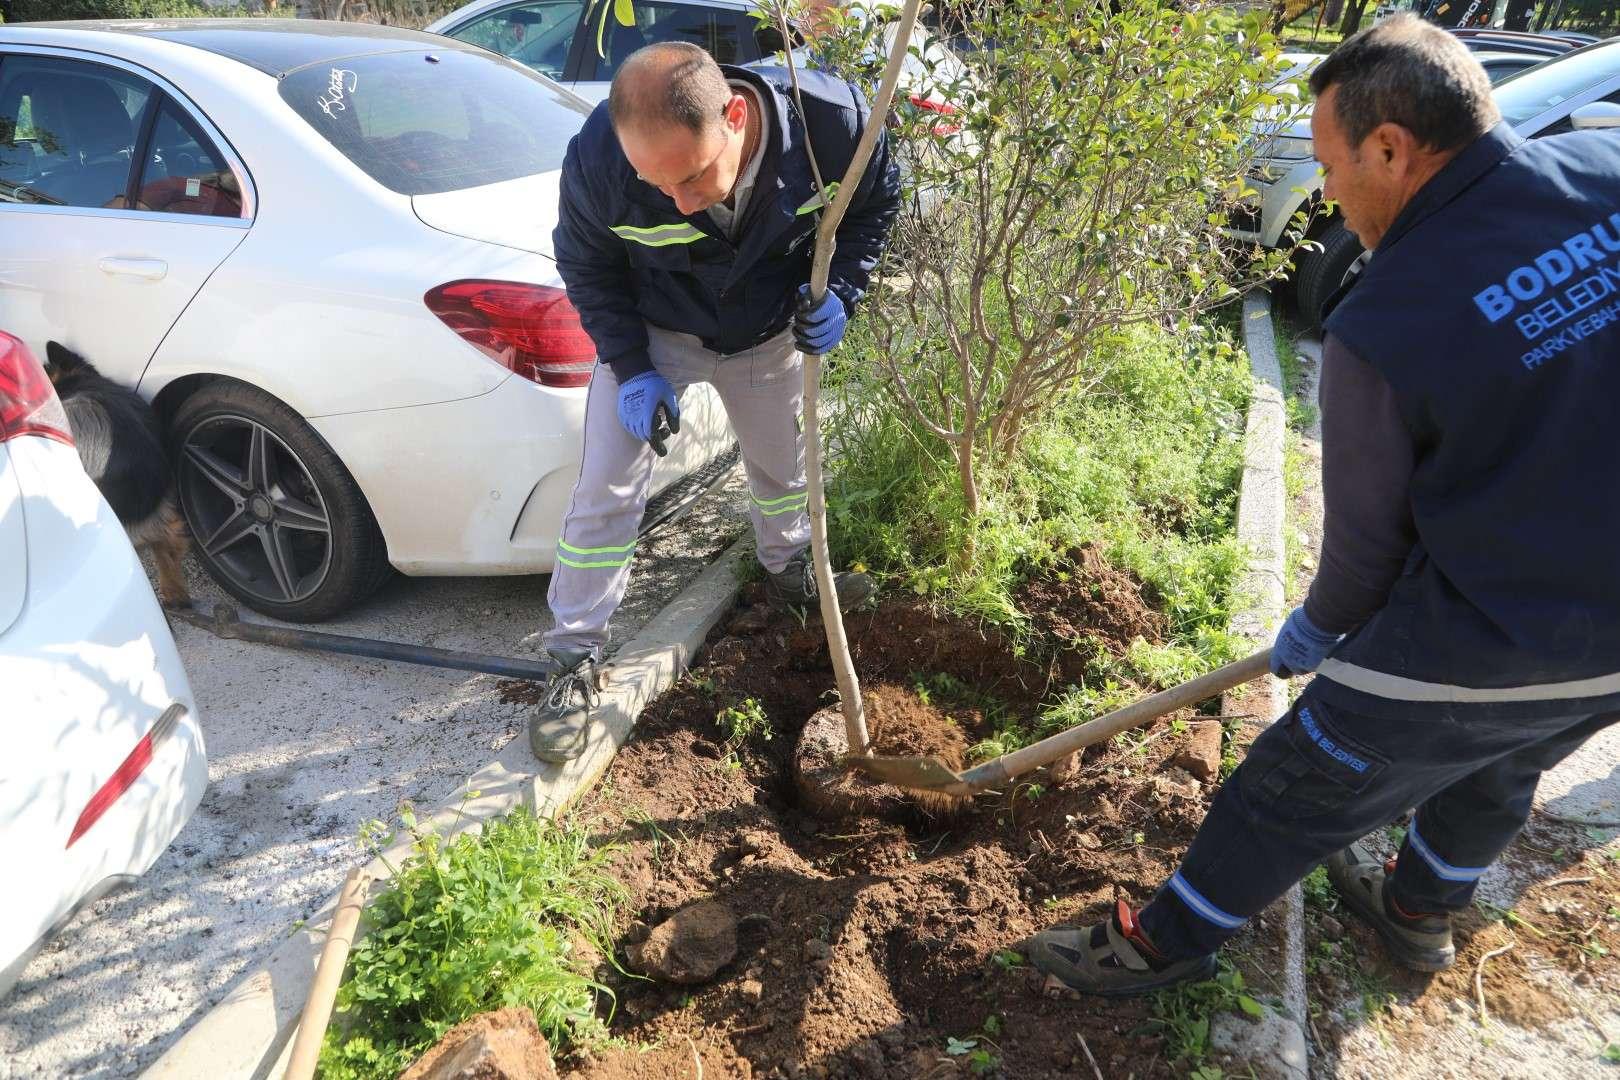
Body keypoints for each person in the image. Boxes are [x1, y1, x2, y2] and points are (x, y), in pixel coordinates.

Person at [1029, 14, 1620, 994]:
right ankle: (1419, 908)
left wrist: (1321, 625)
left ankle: (1161, 945)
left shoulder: (1386, 318)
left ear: (1390, 148)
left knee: (1299, 775)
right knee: (1506, 756)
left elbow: (1365, 557)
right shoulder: (1608, 171)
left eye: (1331, 165)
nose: (1331, 194)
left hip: (1497, 626)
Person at [531, 42, 899, 763]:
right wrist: (631, 368)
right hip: (656, 333)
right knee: (605, 490)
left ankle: (790, 572)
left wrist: (843, 290)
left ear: (735, 116)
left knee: (784, 469)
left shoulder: (832, 126)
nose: (679, 200)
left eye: (694, 176)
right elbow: (586, 264)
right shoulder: (601, 160)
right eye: (657, 184)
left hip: (766, 331)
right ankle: (572, 656)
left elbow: (876, 203)